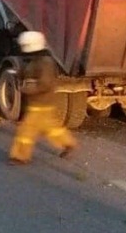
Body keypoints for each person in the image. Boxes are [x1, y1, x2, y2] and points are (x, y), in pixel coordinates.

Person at [8, 31, 78, 165]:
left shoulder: (45, 62)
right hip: (40, 102)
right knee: (50, 127)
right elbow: (30, 74)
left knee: (26, 130)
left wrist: (26, 89)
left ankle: (20, 156)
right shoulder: (38, 60)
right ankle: (68, 144)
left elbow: (45, 84)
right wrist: (18, 74)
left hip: (40, 102)